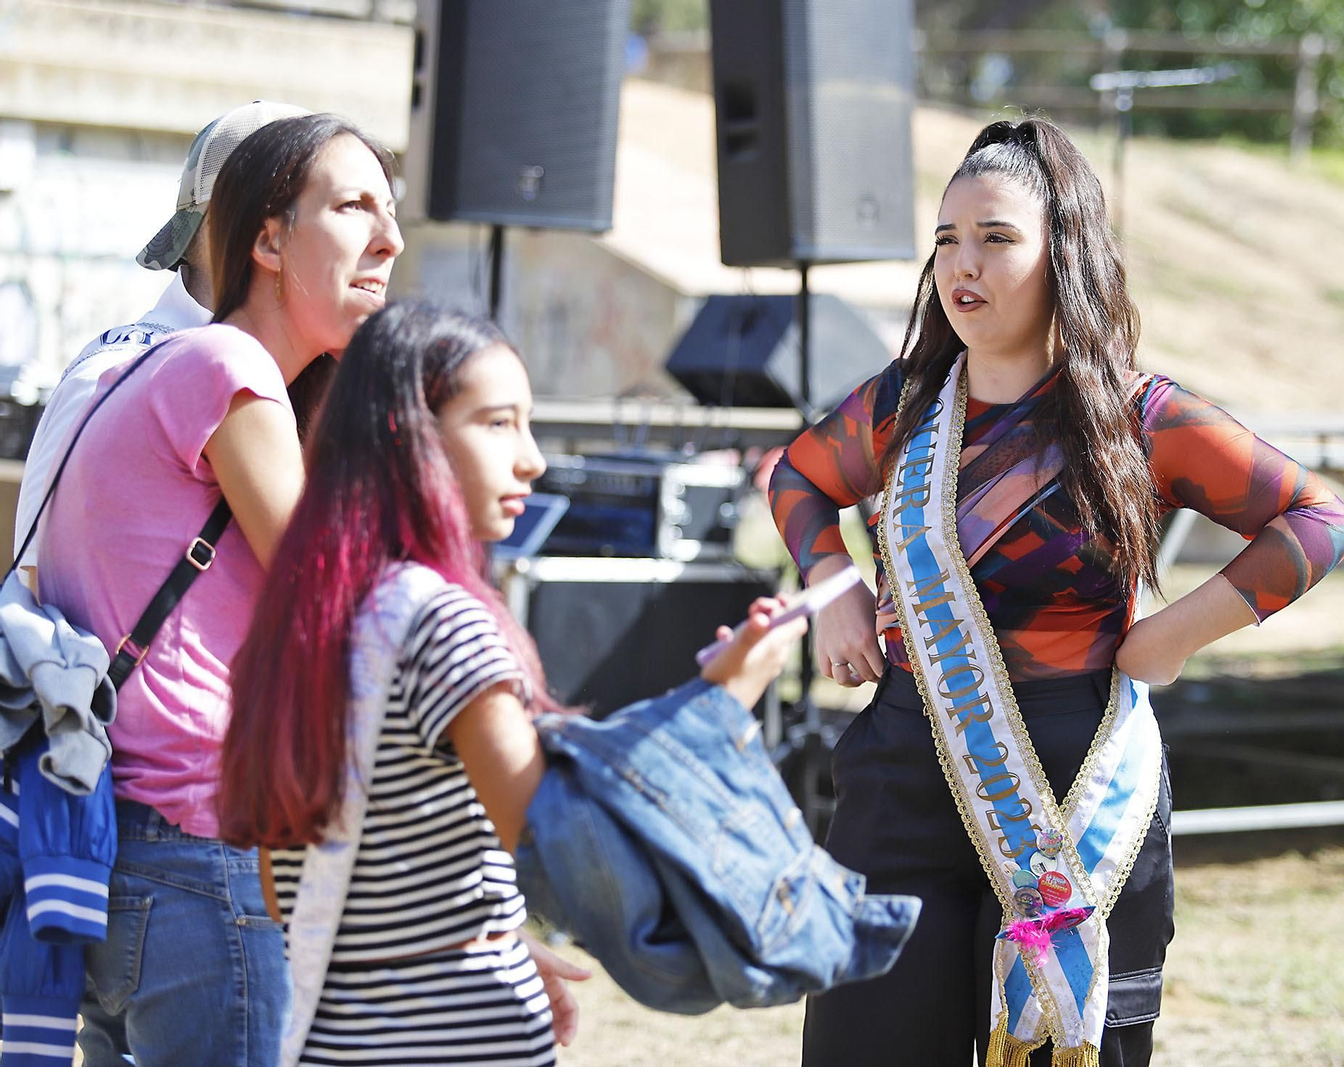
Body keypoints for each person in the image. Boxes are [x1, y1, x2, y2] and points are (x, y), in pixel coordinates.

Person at [768, 117, 1344, 1067]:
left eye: (998, 238)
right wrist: (832, 579)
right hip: (900, 773)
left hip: (1075, 785)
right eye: (948, 239)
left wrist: (1170, 636)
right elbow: (795, 478)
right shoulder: (899, 408)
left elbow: (1320, 522)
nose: (965, 263)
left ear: (1064, 254)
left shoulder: (1140, 415)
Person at [214, 300, 806, 1066]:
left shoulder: (318, 616)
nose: (531, 458)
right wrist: (723, 699)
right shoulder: (443, 622)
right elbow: (569, 847)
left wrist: (496, 937)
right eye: (497, 424)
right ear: (408, 440)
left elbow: (288, 883)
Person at [34, 112, 402, 1065]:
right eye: (355, 205)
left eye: (391, 211)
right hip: (200, 858)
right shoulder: (228, 367)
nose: (390, 239)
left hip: (117, 851)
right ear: (267, 239)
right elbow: (345, 605)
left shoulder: (149, 362)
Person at [14, 100, 308, 583]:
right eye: (338, 210)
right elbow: (40, 583)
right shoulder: (114, 374)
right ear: (257, 232)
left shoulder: (307, 376)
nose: (383, 241)